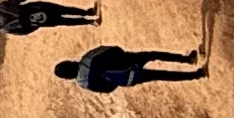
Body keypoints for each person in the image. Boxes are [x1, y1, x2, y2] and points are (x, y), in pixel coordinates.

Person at [56, 44, 206, 92]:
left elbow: (108, 89)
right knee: (154, 55)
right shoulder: (88, 59)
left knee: (162, 75)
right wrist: (123, 58)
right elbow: (112, 50)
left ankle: (197, 75)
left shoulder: (83, 83)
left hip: (128, 79)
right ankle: (187, 59)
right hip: (129, 61)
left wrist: (117, 80)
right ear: (70, 62)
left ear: (69, 77)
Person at [0, 0, 97, 35]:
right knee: (63, 9)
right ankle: (88, 12)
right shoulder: (2, 7)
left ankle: (89, 21)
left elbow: (24, 32)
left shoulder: (4, 29)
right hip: (37, 8)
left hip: (37, 21)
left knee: (63, 21)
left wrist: (35, 26)